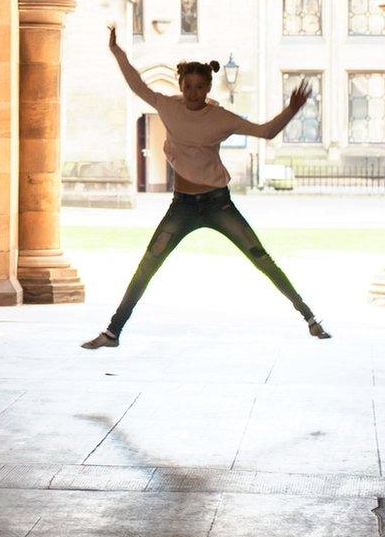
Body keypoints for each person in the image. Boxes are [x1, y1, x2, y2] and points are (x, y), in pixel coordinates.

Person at [82, 25, 330, 348]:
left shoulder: (220, 117)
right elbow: (136, 84)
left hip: (218, 204)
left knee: (261, 258)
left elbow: (266, 131)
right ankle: (112, 332)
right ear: (180, 85)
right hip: (182, 205)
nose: (194, 93)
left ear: (208, 86)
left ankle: (309, 318)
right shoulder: (168, 107)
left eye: (200, 87)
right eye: (188, 86)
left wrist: (292, 109)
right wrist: (117, 51)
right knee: (149, 262)